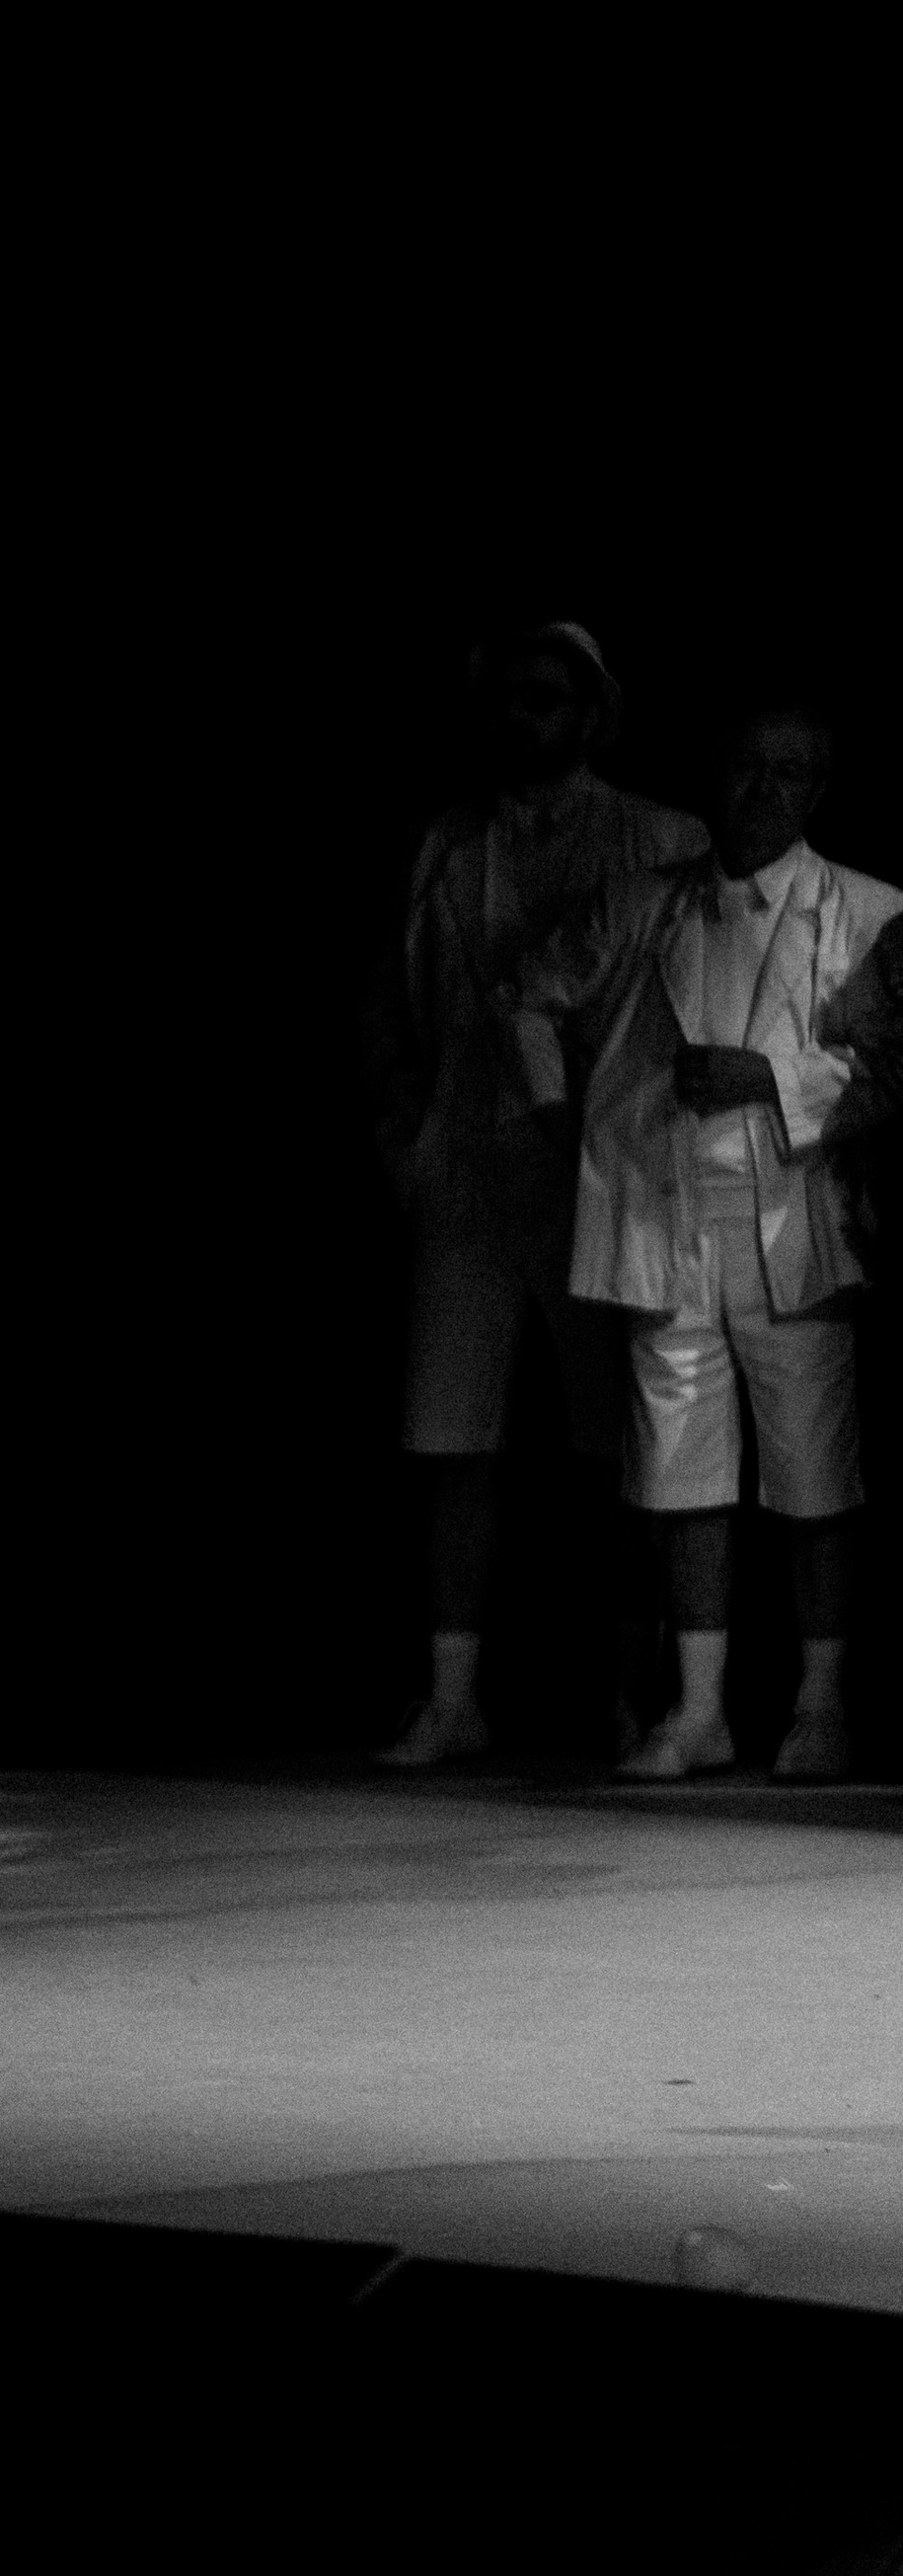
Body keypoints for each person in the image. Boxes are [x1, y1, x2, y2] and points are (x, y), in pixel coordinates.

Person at [508, 702, 902, 1782]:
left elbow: (894, 1069)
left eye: (792, 775)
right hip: (666, 1217)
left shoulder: (867, 910)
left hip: (792, 1223)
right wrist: (559, 1116)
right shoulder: (645, 903)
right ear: (715, 775)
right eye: (748, 769)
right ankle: (697, 1711)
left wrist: (773, 1079)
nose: (765, 793)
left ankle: (819, 1705)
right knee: (678, 1479)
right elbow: (529, 998)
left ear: (818, 791)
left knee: (815, 1478)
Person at [366, 624, 707, 1766]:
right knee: (451, 1435)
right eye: (509, 699)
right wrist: (404, 1138)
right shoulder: (451, 841)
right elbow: (400, 1002)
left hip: (606, 1174)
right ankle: (452, 1694)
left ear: (591, 713)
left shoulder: (659, 838)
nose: (525, 719)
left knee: (625, 1442)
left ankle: (632, 1690)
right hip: (466, 1171)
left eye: (547, 701)